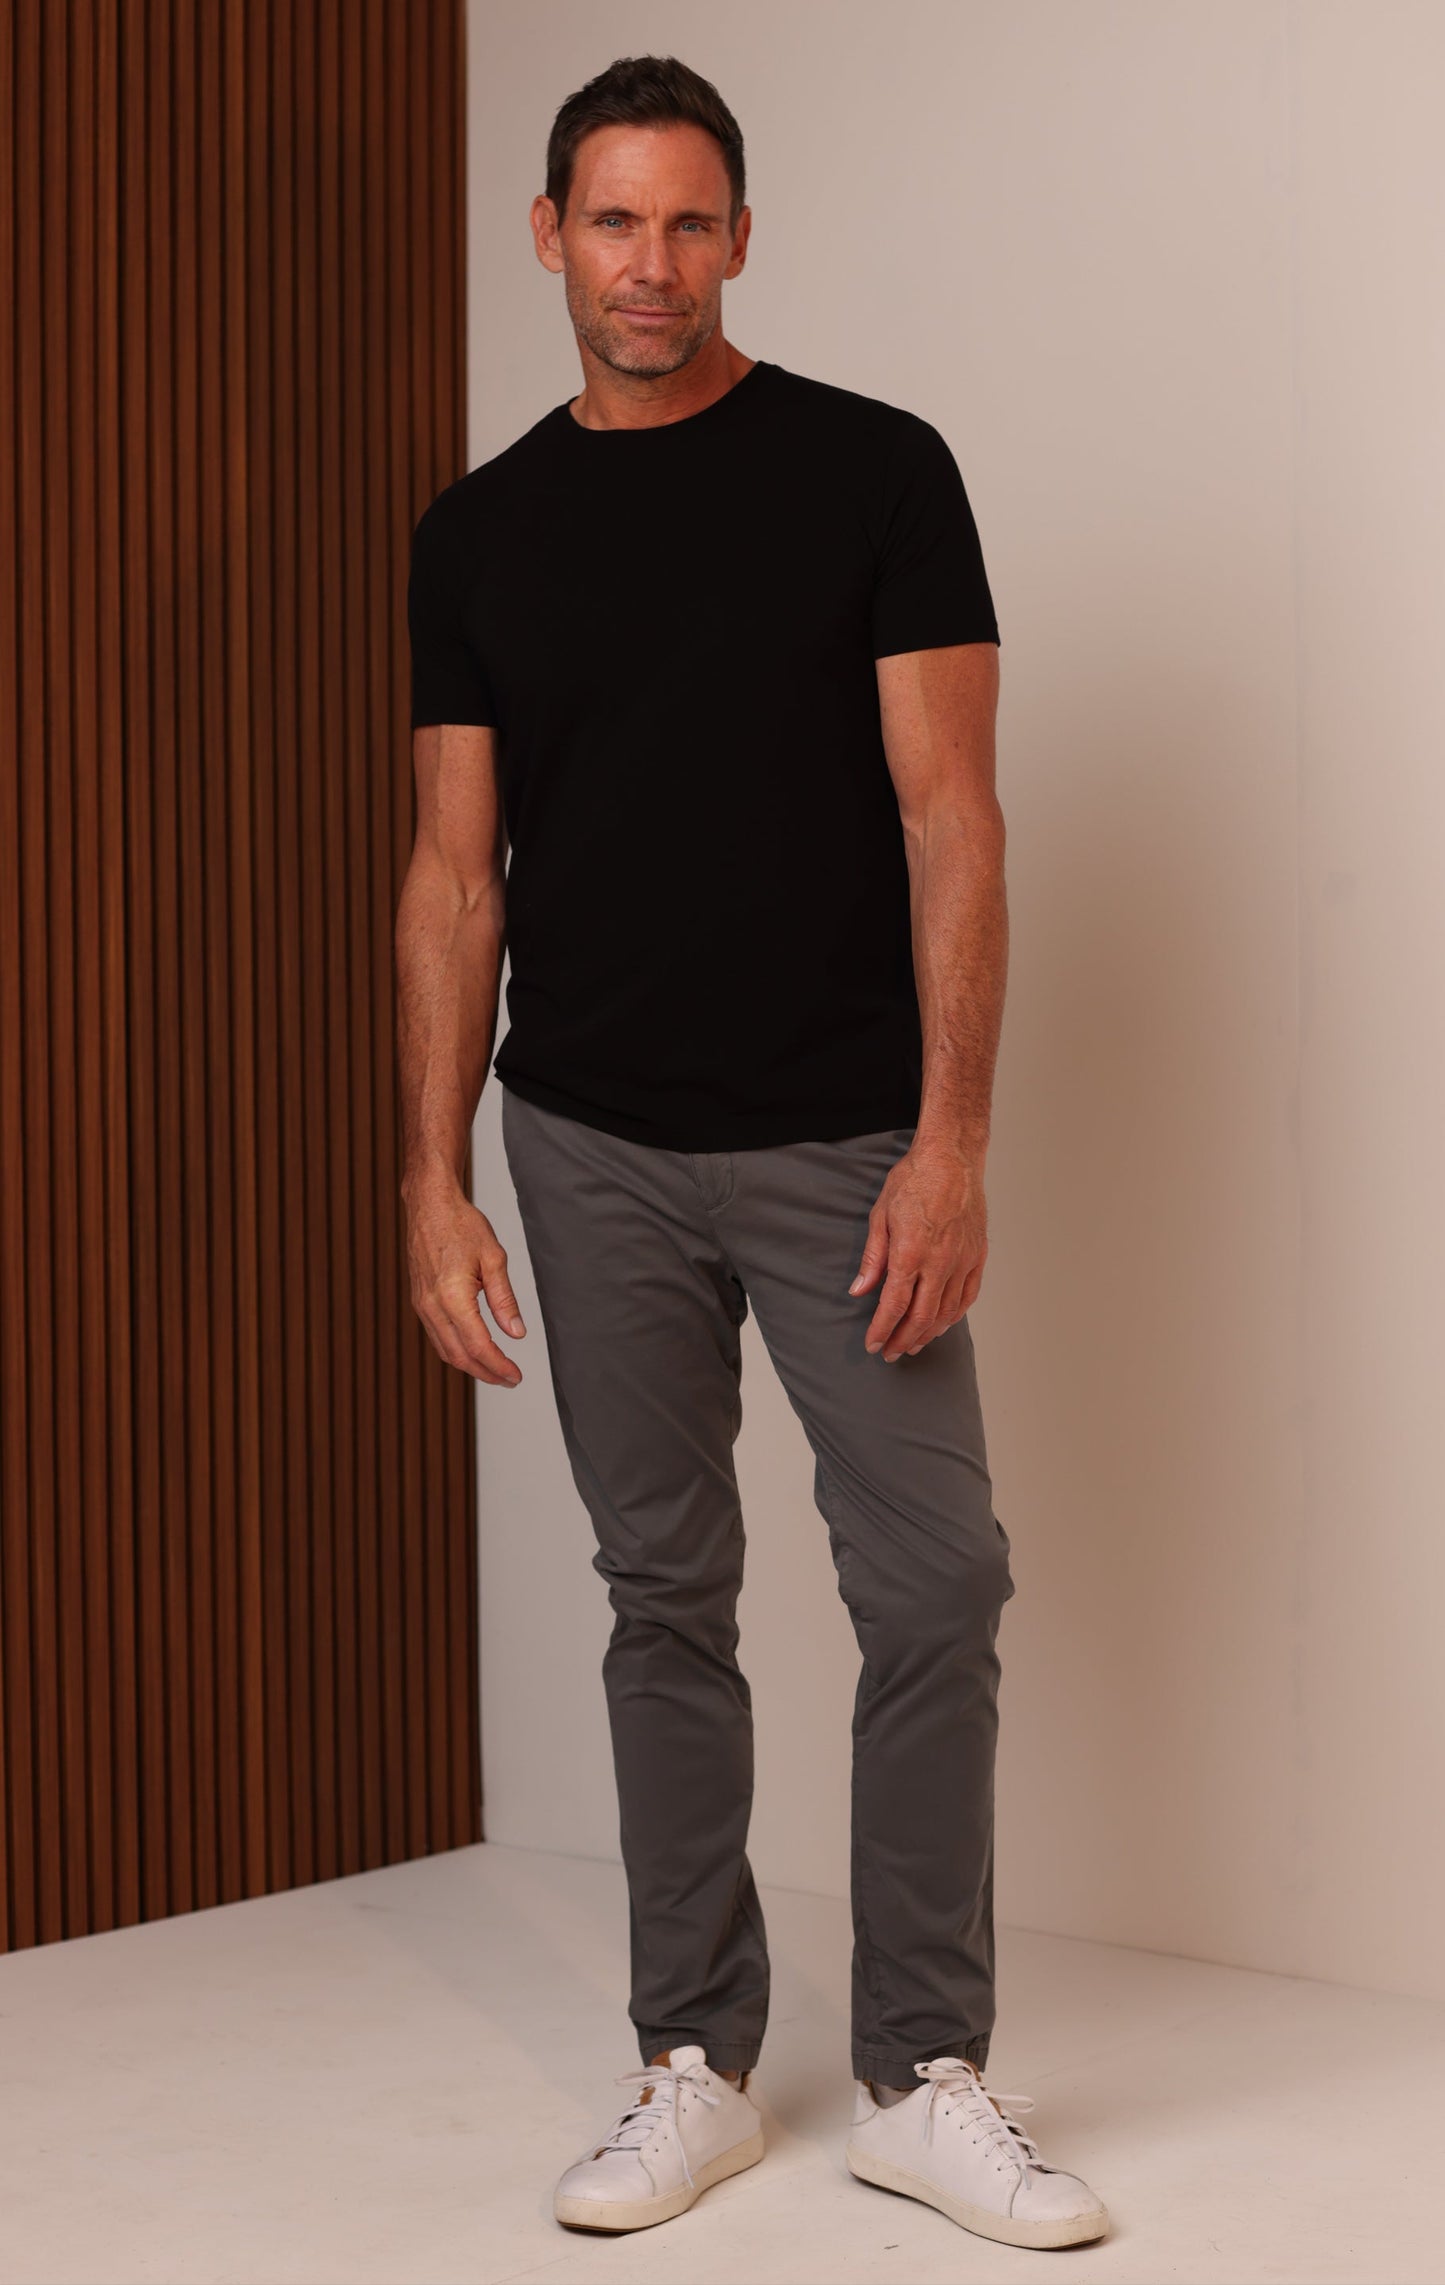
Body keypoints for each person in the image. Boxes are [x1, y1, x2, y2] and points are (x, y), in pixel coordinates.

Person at [396, 50, 1109, 2255]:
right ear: (549, 235)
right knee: (662, 1594)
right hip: (586, 1141)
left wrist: (952, 1140)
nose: (652, 265)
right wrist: (428, 1175)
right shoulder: (477, 533)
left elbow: (952, 815)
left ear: (740, 237)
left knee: (936, 1577)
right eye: (613, 221)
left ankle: (922, 2075)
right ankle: (692, 2058)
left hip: (839, 1140)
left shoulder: (874, 472)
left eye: (690, 222)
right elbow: (454, 875)